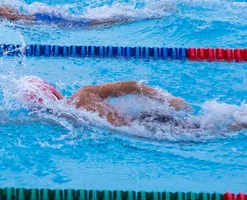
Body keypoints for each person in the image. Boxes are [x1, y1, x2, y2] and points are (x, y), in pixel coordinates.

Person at [19, 76, 247, 132]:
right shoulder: (82, 95)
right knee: (209, 128)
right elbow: (132, 85)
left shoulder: (65, 121)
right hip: (146, 122)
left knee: (215, 133)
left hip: (142, 129)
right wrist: (166, 99)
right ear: (54, 91)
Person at [0, 0, 165, 27]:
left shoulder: (12, 16)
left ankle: (141, 14)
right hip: (44, 15)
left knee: (92, 23)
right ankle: (140, 14)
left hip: (44, 19)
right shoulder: (9, 11)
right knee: (92, 21)